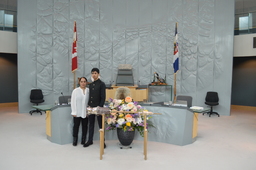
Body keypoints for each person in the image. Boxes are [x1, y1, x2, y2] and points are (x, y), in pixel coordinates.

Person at [84, 68, 106, 148]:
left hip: (98, 107)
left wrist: (99, 107)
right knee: (91, 124)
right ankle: (90, 140)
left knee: (101, 125)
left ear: (98, 74)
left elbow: (103, 97)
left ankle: (102, 142)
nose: (94, 74)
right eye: (92, 73)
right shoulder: (91, 84)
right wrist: (89, 106)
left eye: (95, 73)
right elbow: (90, 97)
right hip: (91, 108)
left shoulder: (101, 84)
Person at [71, 77, 89, 146]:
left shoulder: (88, 90)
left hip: (85, 112)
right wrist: (74, 112)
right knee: (76, 126)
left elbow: (88, 102)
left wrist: (88, 112)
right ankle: (75, 140)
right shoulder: (75, 91)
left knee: (85, 126)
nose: (83, 83)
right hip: (77, 112)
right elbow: (73, 102)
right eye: (81, 81)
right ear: (79, 82)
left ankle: (83, 140)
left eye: (84, 81)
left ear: (86, 82)